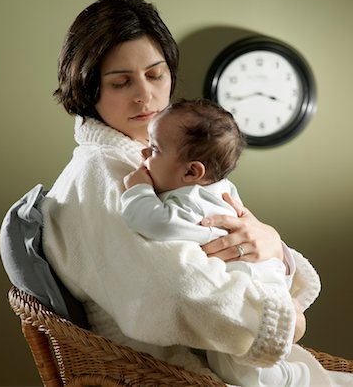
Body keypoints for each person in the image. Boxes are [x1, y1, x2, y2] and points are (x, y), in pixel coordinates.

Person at [40, 0, 353, 386]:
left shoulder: (166, 159)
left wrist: (272, 246)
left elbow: (235, 238)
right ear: (88, 89)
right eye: (121, 82)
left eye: (155, 75)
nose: (145, 95)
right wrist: (283, 321)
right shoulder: (105, 175)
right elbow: (176, 294)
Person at [121, 97, 311, 386]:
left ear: (191, 172)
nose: (144, 153)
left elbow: (151, 221)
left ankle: (292, 380)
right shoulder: (220, 188)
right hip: (266, 284)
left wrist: (138, 189)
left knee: (242, 371)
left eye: (155, 149)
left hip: (255, 301)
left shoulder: (190, 202)